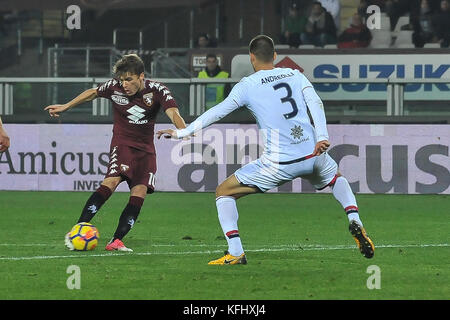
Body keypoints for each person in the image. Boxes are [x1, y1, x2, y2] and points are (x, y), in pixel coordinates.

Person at [157, 35, 375, 265]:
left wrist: (182, 132)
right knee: (335, 178)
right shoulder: (295, 74)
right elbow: (316, 103)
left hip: (280, 163)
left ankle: (236, 252)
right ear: (274, 56)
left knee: (223, 192)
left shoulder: (247, 86)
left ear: (251, 58)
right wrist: (322, 137)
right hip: (314, 153)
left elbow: (217, 112)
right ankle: (354, 218)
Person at [44, 54, 187, 252]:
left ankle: (116, 240)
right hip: (123, 144)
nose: (124, 84)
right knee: (111, 181)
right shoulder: (114, 87)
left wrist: (183, 131)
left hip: (146, 150)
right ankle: (77, 229)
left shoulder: (157, 90)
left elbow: (173, 113)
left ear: (141, 76)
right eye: (122, 80)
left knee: (139, 192)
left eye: (129, 79)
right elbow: (93, 92)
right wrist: (66, 106)